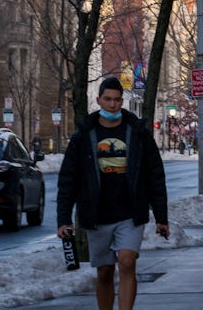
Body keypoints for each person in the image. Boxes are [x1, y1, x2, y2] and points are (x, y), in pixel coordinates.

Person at [57, 77, 169, 310]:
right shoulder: (84, 136)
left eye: (117, 100)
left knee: (127, 262)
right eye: (107, 99)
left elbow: (155, 175)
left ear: (122, 102)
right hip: (97, 214)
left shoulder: (137, 133)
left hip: (130, 212)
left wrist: (161, 217)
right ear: (98, 100)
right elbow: (68, 179)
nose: (112, 104)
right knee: (105, 271)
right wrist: (63, 220)